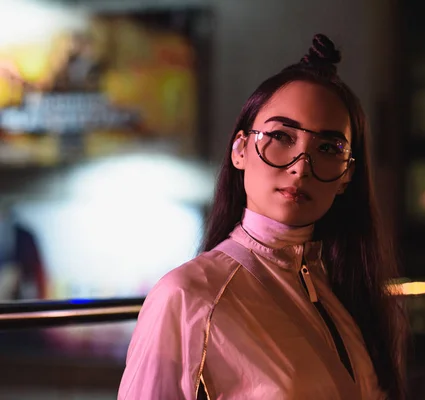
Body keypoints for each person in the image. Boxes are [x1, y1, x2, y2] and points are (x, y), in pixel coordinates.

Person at [118, 33, 407, 400]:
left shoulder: (348, 289)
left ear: (347, 175)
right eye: (282, 137)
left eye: (328, 148)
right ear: (240, 149)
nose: (302, 167)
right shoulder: (189, 296)